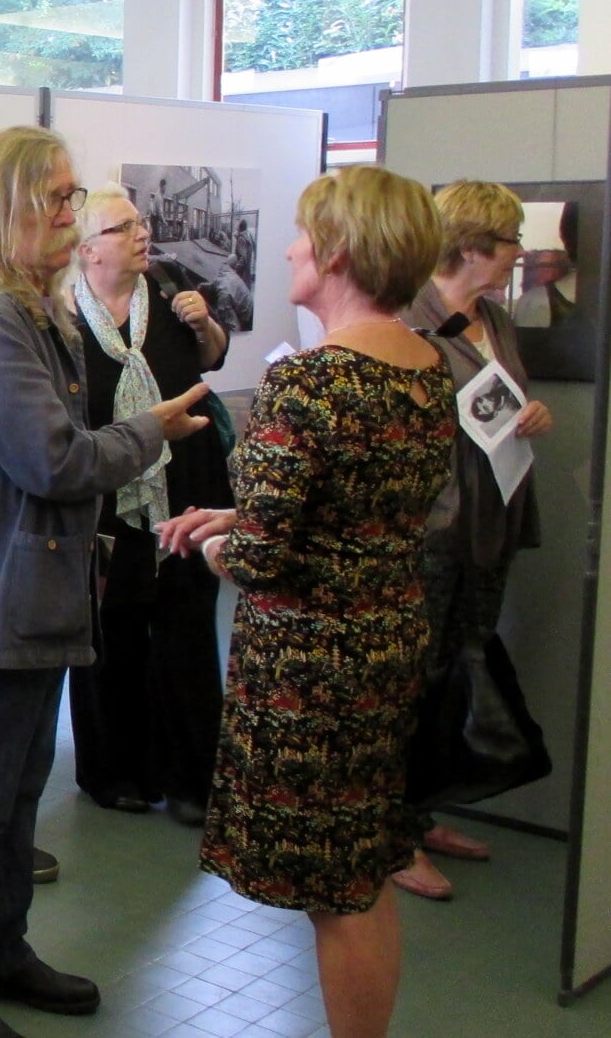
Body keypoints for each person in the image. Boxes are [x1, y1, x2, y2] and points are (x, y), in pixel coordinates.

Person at [0, 125, 210, 1038]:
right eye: (57, 199)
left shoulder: (28, 308)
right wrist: (151, 429)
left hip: (25, 592)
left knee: (15, 789)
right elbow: (53, 461)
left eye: (76, 200)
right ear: (2, 208)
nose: (73, 219)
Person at [158, 165, 453, 1038]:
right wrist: (241, 510)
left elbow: (263, 558)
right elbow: (352, 509)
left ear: (336, 253)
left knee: (336, 893)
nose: (288, 246)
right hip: (386, 642)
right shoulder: (422, 364)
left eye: (301, 233)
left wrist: (216, 539)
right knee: (362, 867)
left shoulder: (310, 383)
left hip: (310, 671)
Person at [392, 181, 554, 901]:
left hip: (492, 520)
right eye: (509, 240)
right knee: (410, 680)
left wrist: (533, 416)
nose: (519, 252)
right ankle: (390, 837)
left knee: (458, 670)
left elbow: (507, 399)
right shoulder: (406, 317)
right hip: (431, 531)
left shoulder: (494, 319)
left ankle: (421, 813)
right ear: (468, 247)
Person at [64, 184, 232, 827]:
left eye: (139, 222)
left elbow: (210, 359)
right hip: (109, 488)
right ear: (87, 250)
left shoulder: (167, 288)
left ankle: (192, 774)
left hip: (186, 480)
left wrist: (204, 324)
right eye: (123, 227)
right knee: (114, 629)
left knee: (187, 622)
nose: (141, 234)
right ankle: (115, 771)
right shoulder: (63, 317)